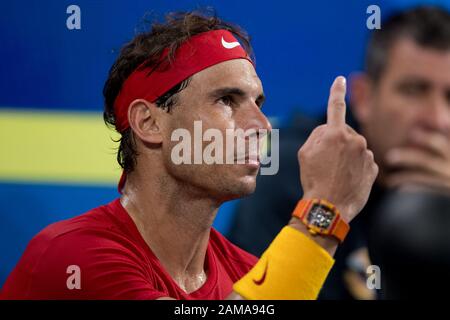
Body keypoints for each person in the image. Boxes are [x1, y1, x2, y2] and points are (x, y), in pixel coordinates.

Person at [0, 11, 377, 300]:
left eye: (259, 103)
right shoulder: (73, 256)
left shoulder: (248, 275)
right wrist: (322, 215)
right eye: (227, 100)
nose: (261, 125)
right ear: (149, 123)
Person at [228, 5, 450, 299]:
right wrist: (323, 212)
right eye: (413, 90)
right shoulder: (297, 169)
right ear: (364, 98)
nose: (437, 119)